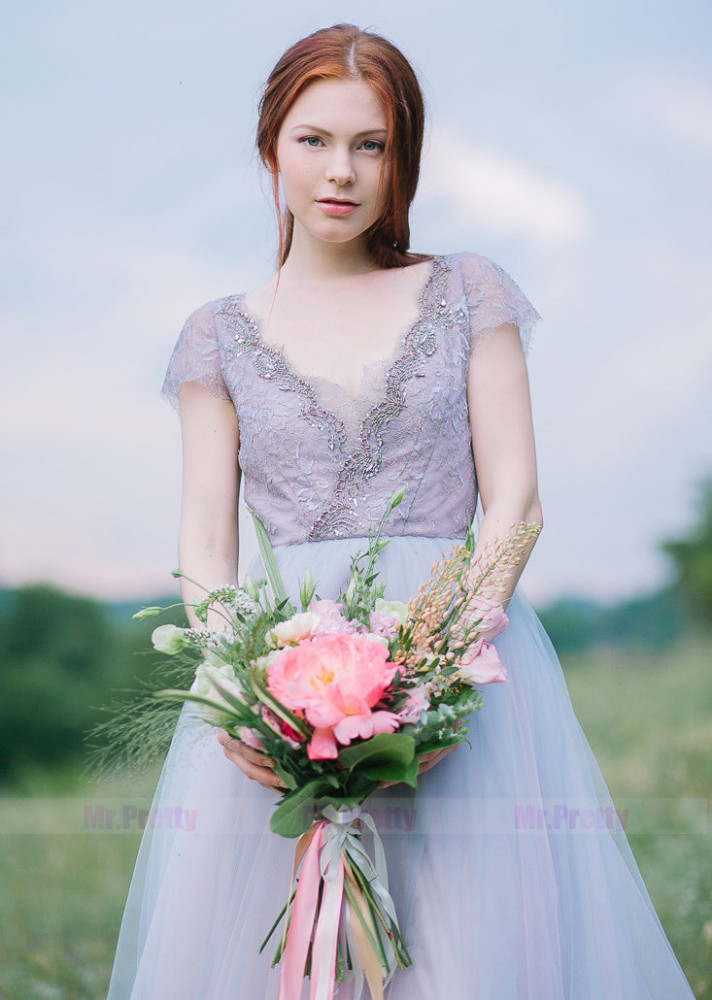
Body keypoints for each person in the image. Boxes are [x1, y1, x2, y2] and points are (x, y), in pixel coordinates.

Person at [107, 23, 696, 1000]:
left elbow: (516, 502)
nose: (341, 170)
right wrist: (243, 693)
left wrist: (432, 667)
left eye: (370, 144)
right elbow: (205, 541)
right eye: (314, 140)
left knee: (467, 939)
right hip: (286, 672)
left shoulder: (467, 291)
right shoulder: (216, 335)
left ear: (401, 159)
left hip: (466, 664)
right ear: (270, 149)